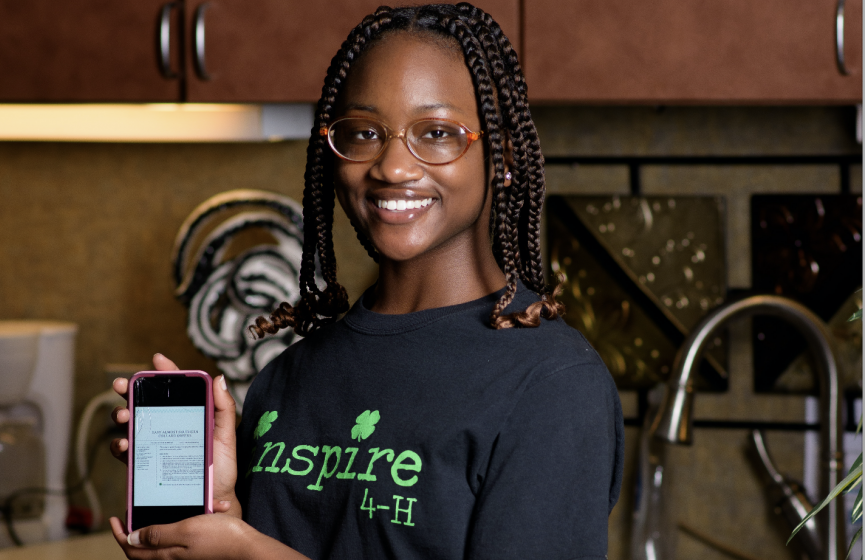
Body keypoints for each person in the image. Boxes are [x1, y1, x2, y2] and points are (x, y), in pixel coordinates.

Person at [109, 4, 624, 559]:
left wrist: (252, 555)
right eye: (364, 133)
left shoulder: (552, 386)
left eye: (436, 133)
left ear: (500, 155)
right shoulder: (287, 377)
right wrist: (227, 521)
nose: (392, 167)